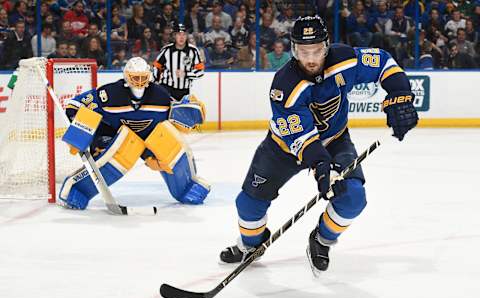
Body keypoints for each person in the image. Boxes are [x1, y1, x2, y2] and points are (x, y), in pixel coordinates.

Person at [219, 16, 418, 274]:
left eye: (316, 51)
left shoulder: (345, 59)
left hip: (335, 140)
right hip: (283, 148)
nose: (311, 59)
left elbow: (383, 63)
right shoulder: (284, 86)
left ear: (326, 46)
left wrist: (400, 95)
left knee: (353, 197)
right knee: (247, 205)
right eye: (303, 52)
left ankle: (322, 240)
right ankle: (250, 245)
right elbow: (303, 139)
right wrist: (321, 168)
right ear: (293, 50)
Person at [59, 57, 210, 210]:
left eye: (143, 77)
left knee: (171, 149)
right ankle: (77, 189)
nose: (139, 82)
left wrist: (187, 113)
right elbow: (75, 105)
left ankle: (186, 187)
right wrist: (80, 132)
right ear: (126, 77)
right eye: (135, 77)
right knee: (113, 159)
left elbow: (174, 115)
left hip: (147, 140)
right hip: (113, 137)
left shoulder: (160, 96)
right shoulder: (109, 93)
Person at [153, 23, 205, 101]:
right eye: (178, 34)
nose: (181, 37)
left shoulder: (193, 51)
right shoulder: (167, 50)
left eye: (184, 34)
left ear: (187, 36)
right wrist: (156, 81)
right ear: (174, 36)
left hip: (184, 91)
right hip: (167, 88)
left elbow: (200, 71)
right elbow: (157, 65)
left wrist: (186, 74)